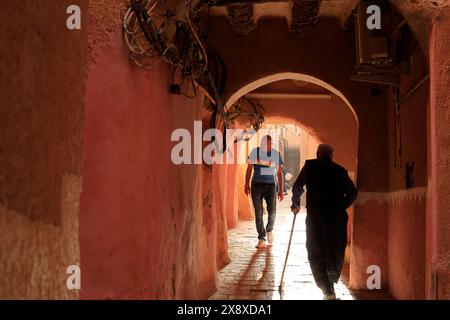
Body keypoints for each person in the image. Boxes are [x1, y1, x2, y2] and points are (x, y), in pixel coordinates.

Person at [291, 144, 357, 300]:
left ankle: (327, 289)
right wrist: (341, 205)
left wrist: (296, 203)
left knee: (315, 250)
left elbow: (298, 186)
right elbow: (352, 193)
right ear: (332, 155)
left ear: (317, 154)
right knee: (334, 249)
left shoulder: (310, 166)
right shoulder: (340, 171)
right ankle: (330, 286)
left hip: (316, 217)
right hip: (336, 218)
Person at [245, 135, 284, 249]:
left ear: (271, 144)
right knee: (258, 212)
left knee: (272, 211)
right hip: (256, 185)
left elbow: (279, 173)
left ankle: (269, 230)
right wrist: (246, 184)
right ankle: (261, 238)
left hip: (271, 185)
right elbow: (249, 169)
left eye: (268, 144)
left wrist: (281, 190)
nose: (266, 146)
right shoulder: (254, 152)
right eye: (264, 144)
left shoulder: (276, 154)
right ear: (261, 143)